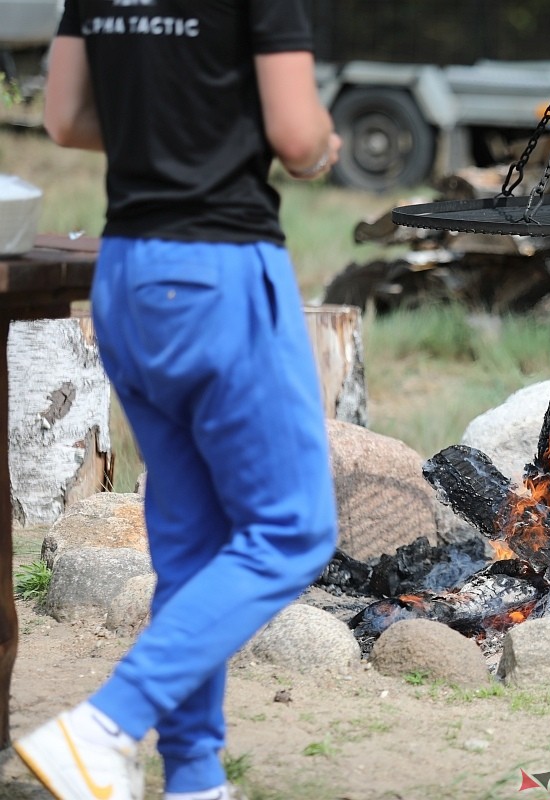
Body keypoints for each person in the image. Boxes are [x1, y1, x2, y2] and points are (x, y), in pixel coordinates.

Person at [15, 2, 342, 799]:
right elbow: (298, 137)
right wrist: (320, 147)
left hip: (127, 271)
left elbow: (62, 120)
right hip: (219, 271)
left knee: (190, 545)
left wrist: (160, 130)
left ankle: (194, 777)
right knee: (293, 530)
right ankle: (104, 724)